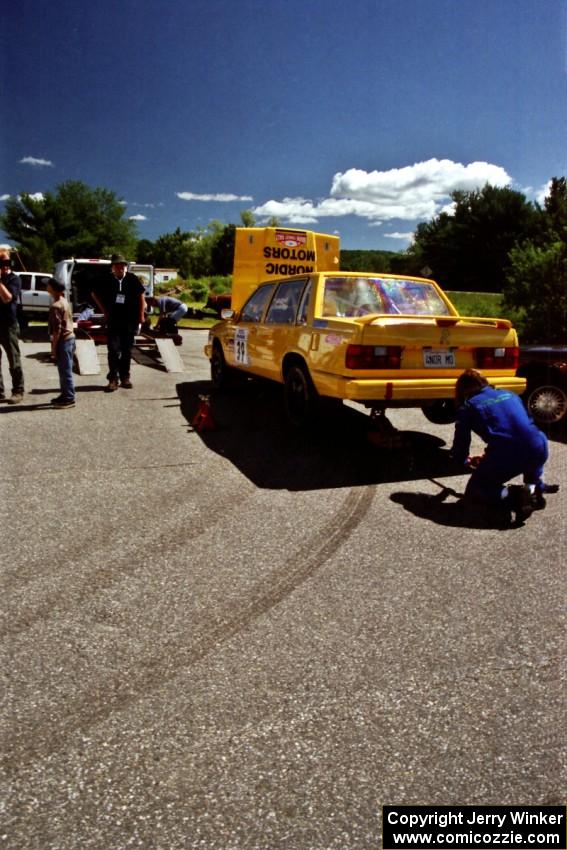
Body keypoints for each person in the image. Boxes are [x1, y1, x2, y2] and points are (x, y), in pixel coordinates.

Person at [451, 369, 558, 523]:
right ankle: (533, 488)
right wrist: (488, 456)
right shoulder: (510, 394)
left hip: (509, 452)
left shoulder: (468, 407)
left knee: (476, 490)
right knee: (528, 457)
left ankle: (514, 495)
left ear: (462, 390)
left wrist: (463, 460)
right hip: (539, 444)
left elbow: (461, 443)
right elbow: (517, 428)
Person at [91, 253, 145, 391]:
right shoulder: (107, 279)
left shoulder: (132, 279)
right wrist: (104, 311)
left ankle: (125, 377)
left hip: (130, 320)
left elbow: (141, 295)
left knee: (127, 350)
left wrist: (141, 314)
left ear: (125, 266)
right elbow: (94, 294)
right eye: (117, 265)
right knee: (113, 350)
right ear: (113, 267)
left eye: (122, 265)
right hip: (114, 321)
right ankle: (113, 379)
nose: (120, 267)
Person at [0, 249, 25, 404]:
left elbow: (8, 298)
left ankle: (18, 390)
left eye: (7, 262)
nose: (4, 266)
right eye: (1, 263)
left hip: (8, 324)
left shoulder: (14, 279)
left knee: (13, 359)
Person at [47, 277, 76, 409]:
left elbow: (57, 330)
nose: (47, 287)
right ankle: (65, 394)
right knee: (65, 369)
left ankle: (69, 398)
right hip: (71, 338)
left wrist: (53, 349)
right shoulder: (64, 301)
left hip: (64, 340)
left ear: (53, 289)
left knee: (65, 370)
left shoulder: (55, 306)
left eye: (48, 286)